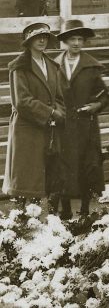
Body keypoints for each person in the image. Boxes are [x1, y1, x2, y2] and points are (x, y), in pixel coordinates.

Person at [3, 23, 65, 205]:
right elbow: (21, 101)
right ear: (28, 42)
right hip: (27, 128)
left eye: (45, 37)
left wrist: (59, 112)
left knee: (45, 177)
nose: (42, 40)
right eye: (37, 37)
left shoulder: (52, 65)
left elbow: (59, 97)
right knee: (25, 178)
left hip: (49, 129)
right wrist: (50, 112)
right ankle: (21, 220)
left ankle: (43, 222)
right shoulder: (19, 66)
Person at [54, 20, 108, 217]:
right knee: (63, 165)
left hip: (85, 124)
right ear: (65, 42)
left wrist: (95, 106)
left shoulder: (91, 67)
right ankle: (65, 209)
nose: (76, 43)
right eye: (72, 39)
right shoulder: (54, 65)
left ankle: (85, 208)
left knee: (88, 164)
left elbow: (103, 95)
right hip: (62, 124)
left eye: (80, 39)